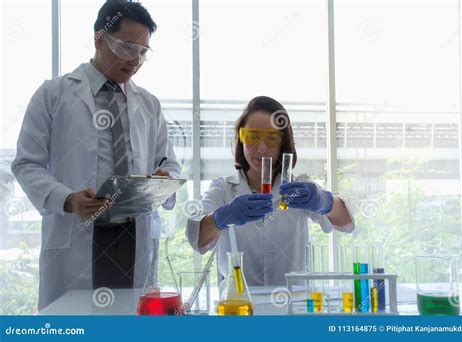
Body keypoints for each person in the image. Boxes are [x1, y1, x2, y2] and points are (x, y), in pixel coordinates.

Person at [11, 0, 180, 310]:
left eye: (143, 52)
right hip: (77, 232)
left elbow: (166, 161)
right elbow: (26, 163)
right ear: (99, 38)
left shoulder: (149, 104)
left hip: (134, 233)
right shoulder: (53, 94)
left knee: (131, 324)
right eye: (127, 48)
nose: (135, 60)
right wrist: (68, 198)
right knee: (75, 324)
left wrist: (162, 179)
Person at [186, 96, 355, 286]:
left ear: (283, 143)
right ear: (241, 138)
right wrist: (222, 217)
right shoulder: (223, 188)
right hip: (238, 306)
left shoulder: (298, 185)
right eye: (252, 136)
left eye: (272, 138)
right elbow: (197, 240)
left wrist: (324, 201)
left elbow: (347, 223)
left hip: (292, 305)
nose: (261, 148)